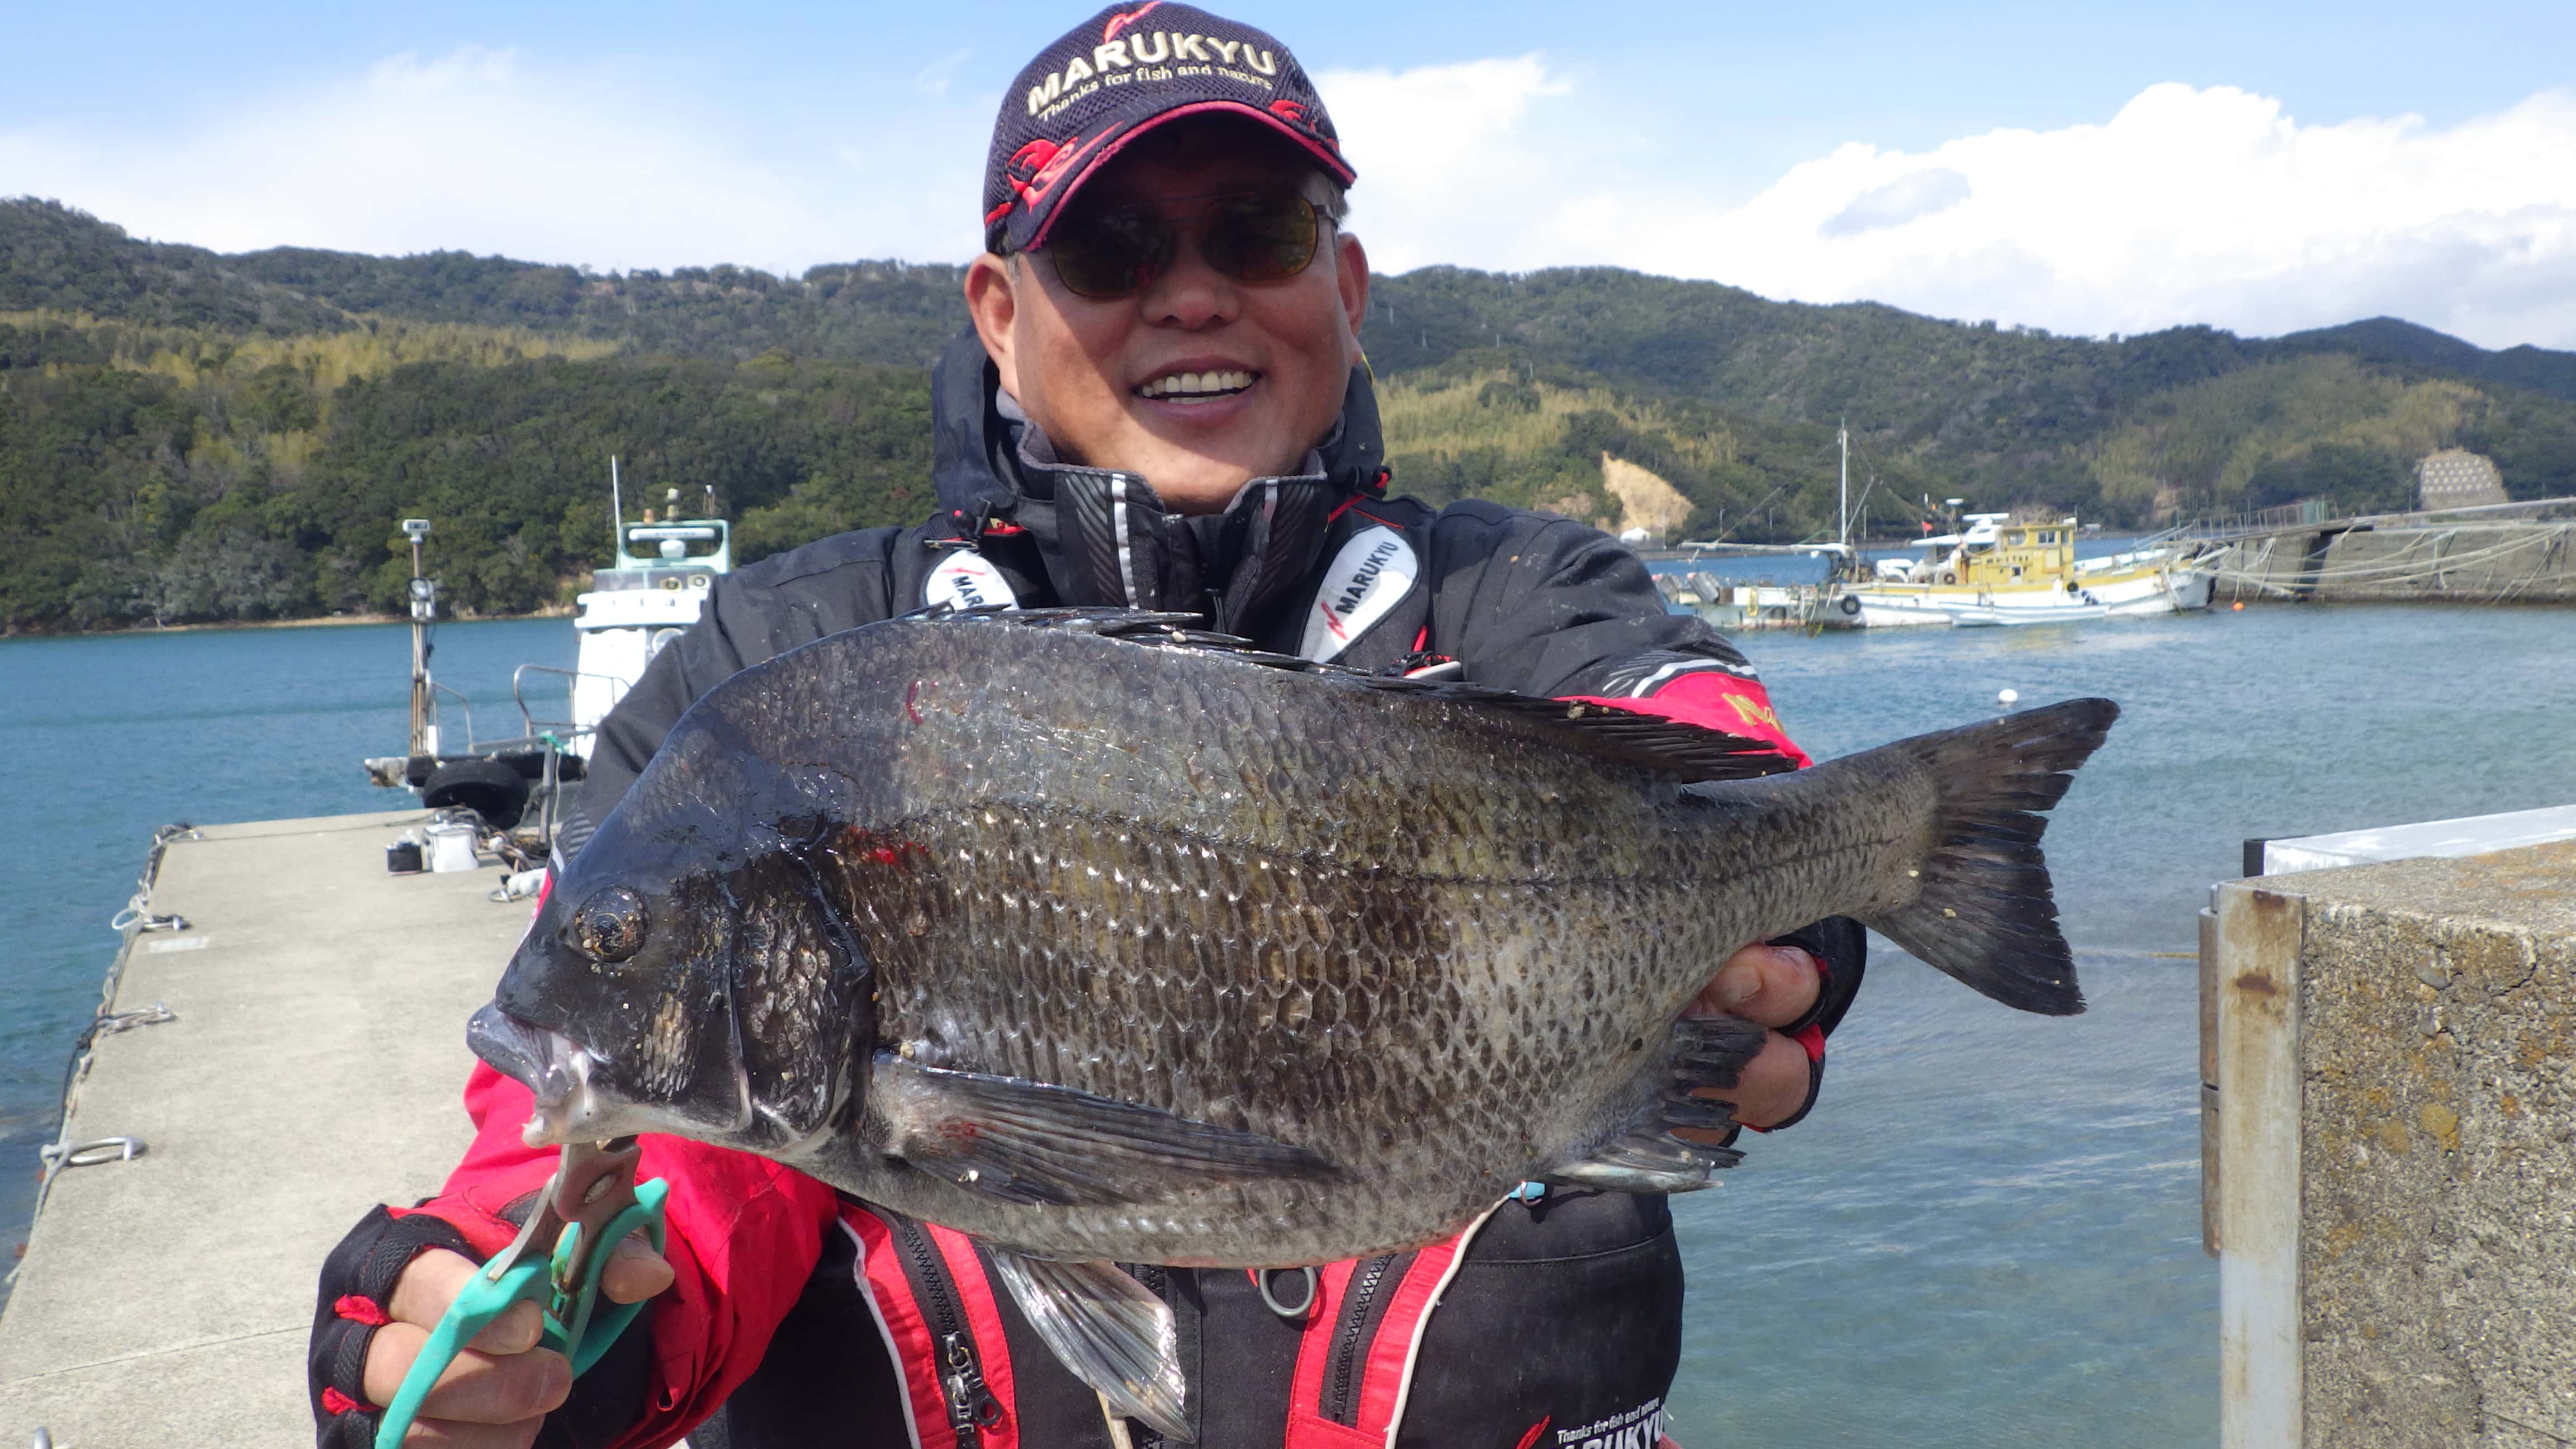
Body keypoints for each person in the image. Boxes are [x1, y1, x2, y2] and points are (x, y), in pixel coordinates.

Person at [311, 7, 1865, 1446]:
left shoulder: (1521, 593)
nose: (1192, 295)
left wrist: (1804, 934)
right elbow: (650, 1129)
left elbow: (1701, 746)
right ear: (1000, 312)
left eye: (1257, 233)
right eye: (1112, 247)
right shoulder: (780, 678)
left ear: (1346, 283)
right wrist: (508, 1319)